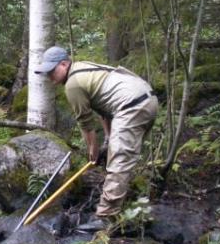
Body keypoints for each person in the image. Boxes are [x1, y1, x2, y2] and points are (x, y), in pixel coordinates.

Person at [35, 46, 158, 219]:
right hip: (146, 99)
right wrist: (107, 139)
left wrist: (92, 150)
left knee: (119, 161)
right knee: (120, 157)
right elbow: (104, 108)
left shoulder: (73, 84)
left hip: (132, 105)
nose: (49, 76)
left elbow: (86, 123)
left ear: (64, 64)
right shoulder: (82, 68)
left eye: (51, 70)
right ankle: (126, 201)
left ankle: (105, 216)